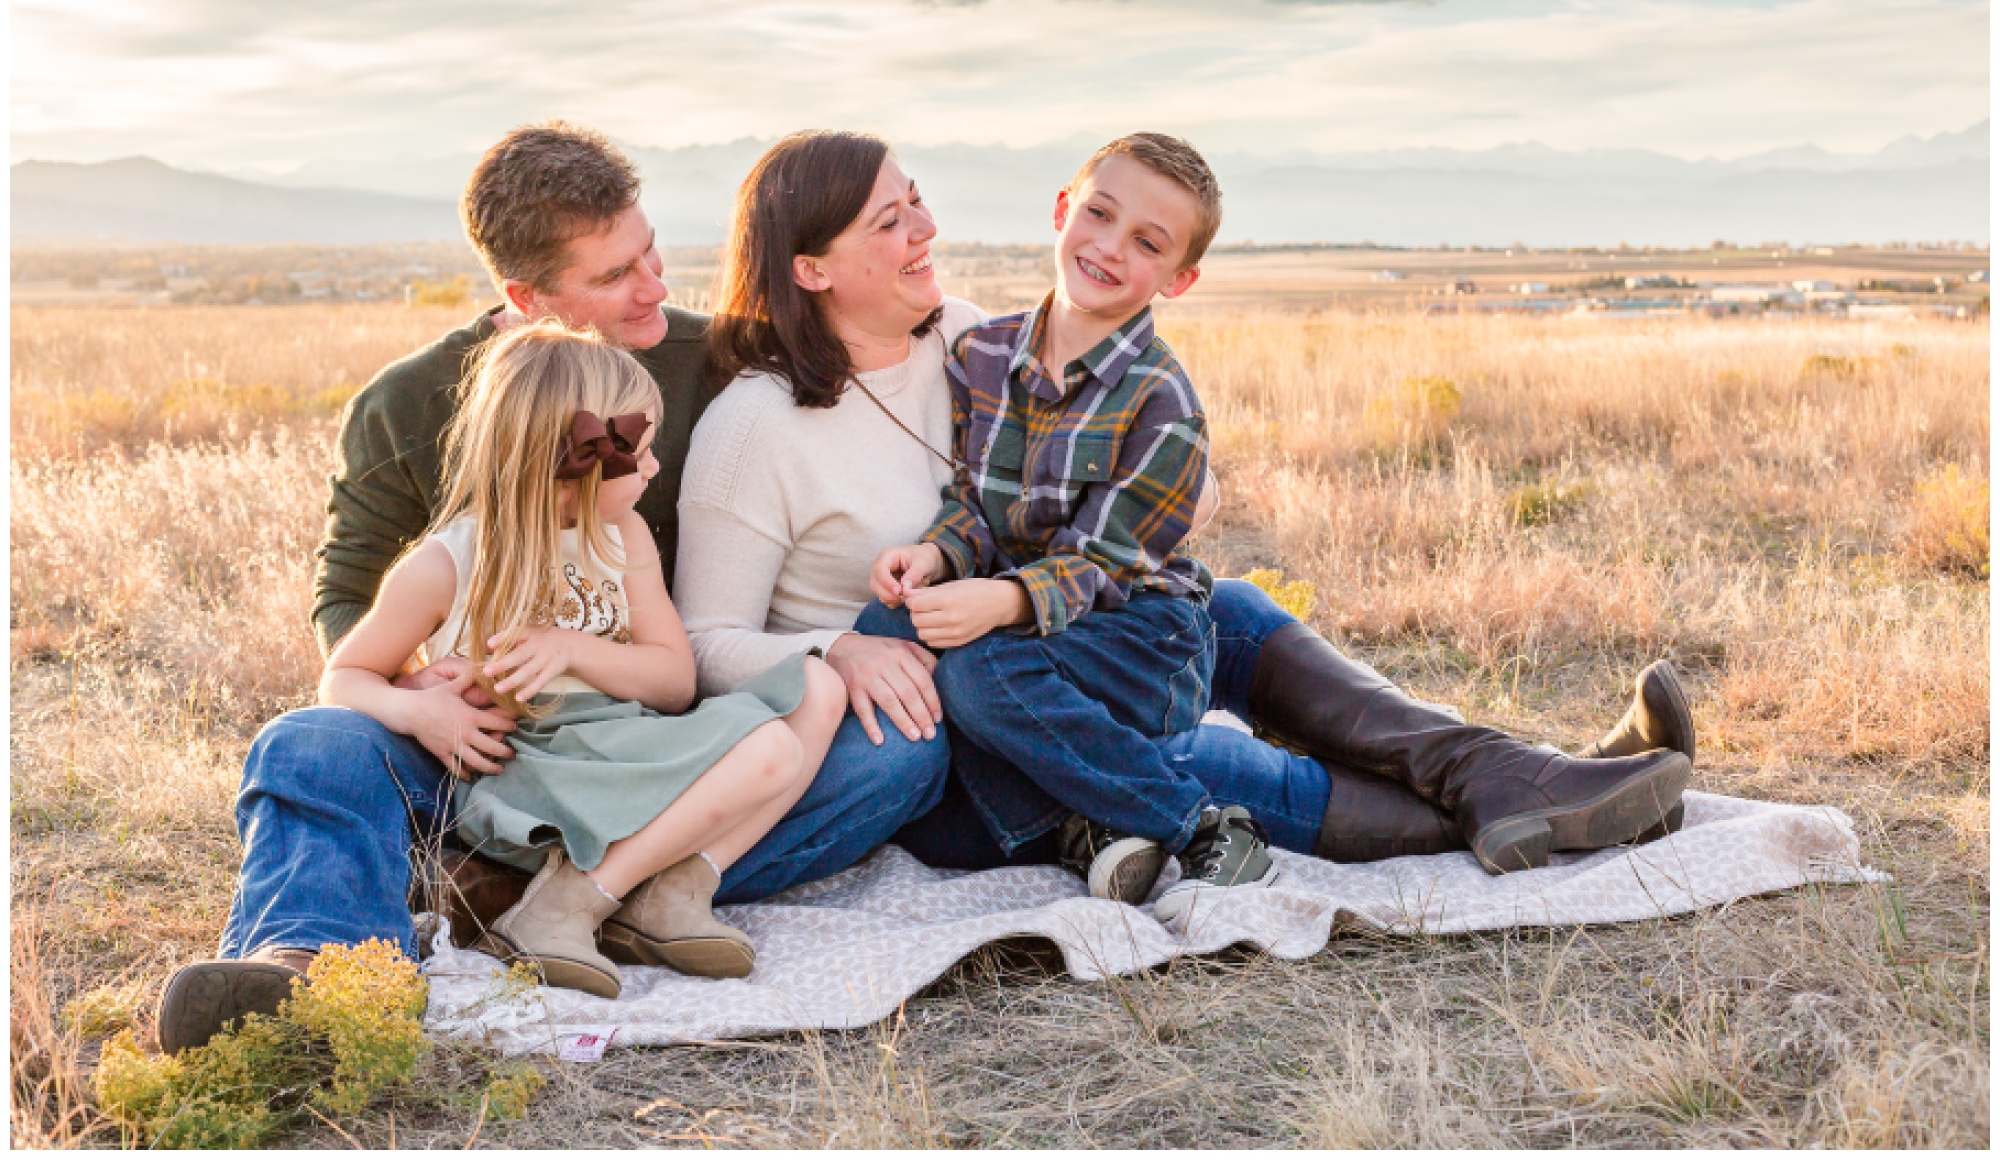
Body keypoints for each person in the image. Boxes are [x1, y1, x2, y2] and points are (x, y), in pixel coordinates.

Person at [675, 130, 1695, 914]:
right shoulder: (755, 425)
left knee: (1225, 606)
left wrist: (1147, 511)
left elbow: (1120, 476)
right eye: (889, 223)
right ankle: (1524, 803)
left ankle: (1499, 771)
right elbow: (698, 644)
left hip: (1040, 629)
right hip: (942, 715)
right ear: (810, 267)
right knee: (1187, 757)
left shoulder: (964, 341)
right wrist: (840, 649)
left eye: (917, 203)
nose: (925, 232)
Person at [155, 123, 952, 1053]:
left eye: (650, 253)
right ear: (526, 298)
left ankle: (551, 891)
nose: (654, 288)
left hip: (659, 737)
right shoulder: (407, 405)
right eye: (614, 277)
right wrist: (422, 696)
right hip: (490, 738)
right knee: (313, 743)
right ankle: (315, 971)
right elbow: (349, 599)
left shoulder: (721, 361)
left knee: (898, 757)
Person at [321, 321, 847, 998]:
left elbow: (673, 681)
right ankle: (562, 908)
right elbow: (343, 676)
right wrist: (416, 709)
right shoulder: (447, 564)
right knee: (773, 751)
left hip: (628, 743)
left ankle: (672, 892)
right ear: (576, 465)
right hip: (537, 770)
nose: (654, 468)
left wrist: (574, 647)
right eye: (642, 452)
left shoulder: (622, 535)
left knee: (816, 686)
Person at [865, 133, 1288, 922]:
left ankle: (1201, 823)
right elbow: (973, 501)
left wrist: (999, 603)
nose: (1107, 246)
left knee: (973, 675)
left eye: (1147, 243)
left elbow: (1105, 563)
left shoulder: (1164, 404)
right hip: (1031, 634)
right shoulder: (982, 354)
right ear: (1064, 209)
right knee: (932, 804)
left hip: (1143, 639)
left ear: (1179, 278)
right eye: (1099, 213)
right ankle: (1081, 829)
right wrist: (934, 552)